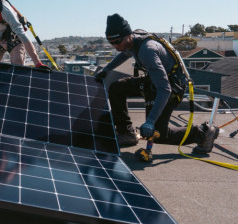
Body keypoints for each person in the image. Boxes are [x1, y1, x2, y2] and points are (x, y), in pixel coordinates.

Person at [94, 13, 219, 153]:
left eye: (118, 42)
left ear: (128, 35)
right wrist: (107, 69)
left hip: (171, 86)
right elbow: (125, 53)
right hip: (155, 80)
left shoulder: (147, 51)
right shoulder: (131, 41)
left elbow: (164, 89)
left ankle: (202, 133)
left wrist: (150, 121)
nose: (116, 46)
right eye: (112, 43)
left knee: (157, 134)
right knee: (117, 88)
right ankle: (126, 133)